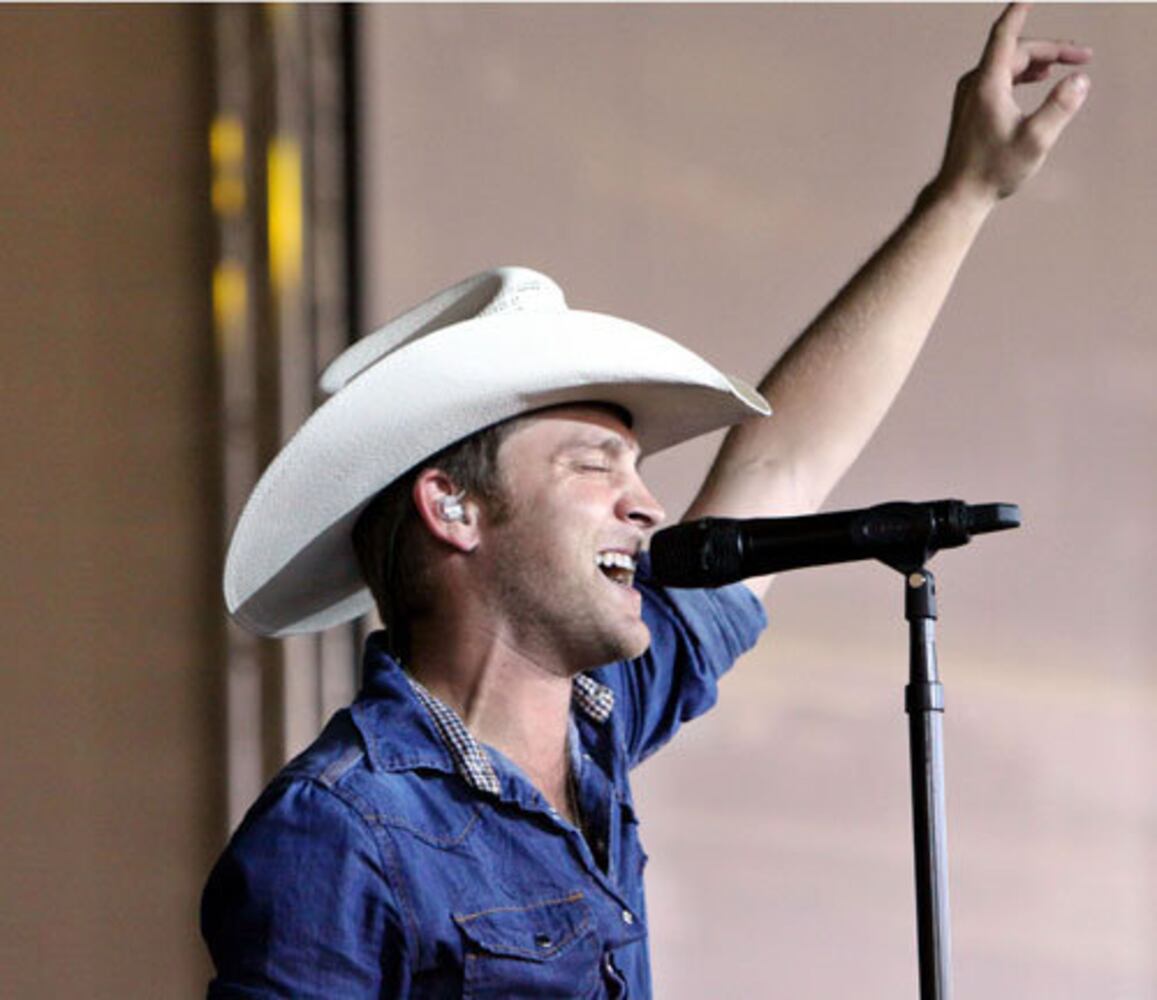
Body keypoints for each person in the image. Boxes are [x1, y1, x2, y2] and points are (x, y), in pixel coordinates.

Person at [202, 6, 1090, 997]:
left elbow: (781, 469)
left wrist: (963, 194)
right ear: (453, 507)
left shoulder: (596, 722)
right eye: (594, 465)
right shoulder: (336, 832)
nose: (646, 505)